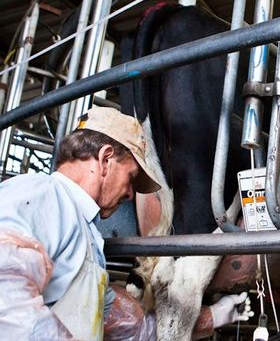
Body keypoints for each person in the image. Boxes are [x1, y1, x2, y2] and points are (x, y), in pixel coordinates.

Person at [0, 107, 252, 340]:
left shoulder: (86, 235)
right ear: (106, 159)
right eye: (131, 178)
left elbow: (130, 329)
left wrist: (213, 316)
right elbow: (6, 301)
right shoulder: (40, 196)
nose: (131, 195)